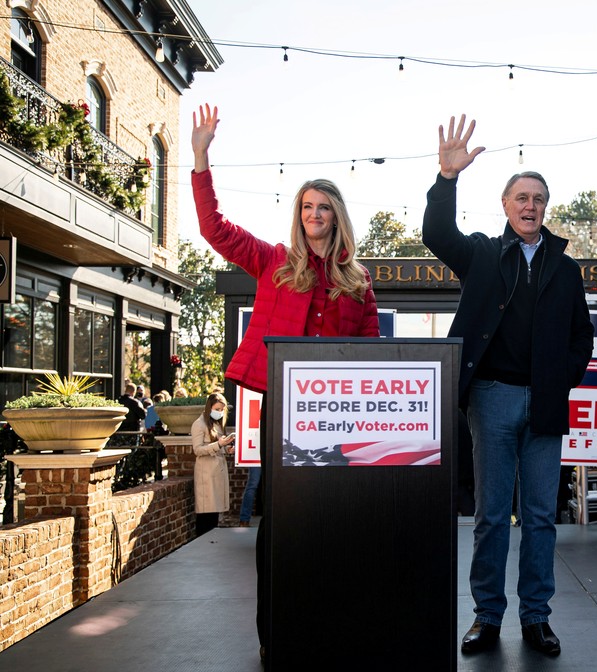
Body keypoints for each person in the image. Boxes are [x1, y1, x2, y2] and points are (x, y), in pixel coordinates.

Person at [190, 103, 380, 662]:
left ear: (336, 215)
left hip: (336, 418)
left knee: (330, 521)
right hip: (282, 409)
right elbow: (213, 229)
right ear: (297, 215)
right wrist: (201, 157)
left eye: (322, 207)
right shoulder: (273, 262)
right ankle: (274, 631)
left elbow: (370, 352)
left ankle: (326, 620)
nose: (313, 214)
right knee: (280, 520)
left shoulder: (357, 281)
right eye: (305, 207)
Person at [422, 114, 594, 657]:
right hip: (490, 399)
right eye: (521, 197)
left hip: (544, 403)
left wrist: (559, 382)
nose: (530, 206)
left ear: (546, 207)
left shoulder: (565, 270)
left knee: (542, 516)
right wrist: (446, 178)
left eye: (538, 199)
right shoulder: (479, 254)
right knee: (493, 516)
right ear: (504, 205)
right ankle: (487, 617)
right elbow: (435, 234)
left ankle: (536, 619)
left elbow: (581, 339)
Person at [191, 392, 235, 536]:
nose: (220, 412)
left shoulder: (216, 424)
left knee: (214, 513)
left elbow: (218, 445)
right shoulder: (199, 424)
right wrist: (218, 444)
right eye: (217, 409)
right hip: (207, 473)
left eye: (222, 410)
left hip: (216, 472)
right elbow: (197, 450)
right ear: (209, 407)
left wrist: (227, 449)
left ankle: (210, 540)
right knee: (206, 514)